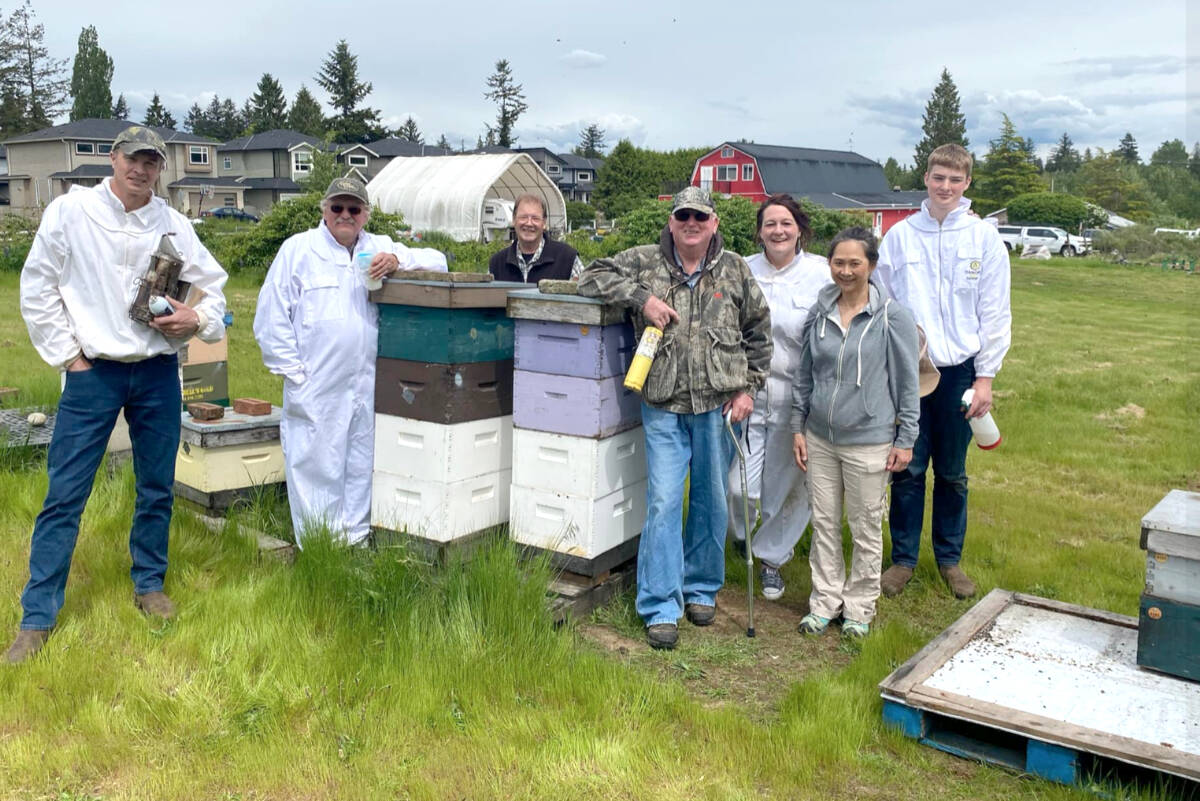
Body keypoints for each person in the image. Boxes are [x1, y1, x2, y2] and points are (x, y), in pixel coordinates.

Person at [8, 126, 228, 664]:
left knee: (156, 487)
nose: (142, 169)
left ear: (160, 168)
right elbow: (37, 286)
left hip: (156, 374)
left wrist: (195, 317)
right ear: (114, 158)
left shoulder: (172, 223)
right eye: (133, 158)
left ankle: (149, 585)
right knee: (65, 495)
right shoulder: (71, 213)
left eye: (152, 162)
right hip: (94, 374)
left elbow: (215, 288)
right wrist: (71, 359)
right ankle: (37, 618)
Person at [578, 186, 771, 650]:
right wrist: (640, 298)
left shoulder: (736, 269)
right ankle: (661, 604)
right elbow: (590, 277)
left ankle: (701, 588)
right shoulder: (643, 261)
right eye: (683, 215)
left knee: (711, 500)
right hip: (662, 402)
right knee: (665, 501)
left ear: (714, 224)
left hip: (719, 405)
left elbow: (760, 335)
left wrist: (749, 389)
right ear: (671, 221)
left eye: (699, 217)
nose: (691, 223)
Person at [254, 177, 445, 547]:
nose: (345, 215)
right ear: (324, 210)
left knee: (360, 460)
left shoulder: (378, 246)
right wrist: (295, 374)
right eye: (337, 208)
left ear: (366, 215)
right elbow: (271, 317)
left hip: (367, 379)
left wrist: (398, 259)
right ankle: (321, 546)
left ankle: (355, 541)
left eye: (354, 209)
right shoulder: (298, 250)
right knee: (315, 461)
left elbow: (438, 260)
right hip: (315, 380)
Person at [874, 144, 1011, 599]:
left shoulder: (983, 239)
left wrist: (985, 376)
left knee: (952, 471)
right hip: (912, 370)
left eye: (955, 180)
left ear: (967, 183)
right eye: (938, 178)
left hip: (960, 372)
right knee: (908, 467)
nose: (946, 187)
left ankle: (950, 560)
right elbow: (884, 304)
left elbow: (995, 311)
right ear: (926, 178)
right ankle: (903, 560)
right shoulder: (899, 237)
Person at [790, 227, 920, 637]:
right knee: (824, 522)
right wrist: (798, 426)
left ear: (872, 266)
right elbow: (805, 373)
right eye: (838, 262)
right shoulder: (820, 310)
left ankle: (860, 608)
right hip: (821, 437)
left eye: (855, 263)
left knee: (865, 526)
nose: (846, 271)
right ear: (829, 265)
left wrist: (906, 437)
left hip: (870, 439)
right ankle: (824, 602)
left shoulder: (892, 316)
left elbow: (906, 381)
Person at [727, 194, 830, 600]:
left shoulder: (820, 274)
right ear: (759, 231)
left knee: (788, 486)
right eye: (770, 223)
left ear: (799, 228)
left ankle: (772, 557)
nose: (778, 231)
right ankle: (741, 535)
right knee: (737, 486)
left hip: (798, 394)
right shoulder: (741, 270)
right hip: (746, 392)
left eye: (786, 223)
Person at [488, 194, 584, 282]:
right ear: (514, 220)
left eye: (535, 218)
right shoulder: (496, 264)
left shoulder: (568, 259)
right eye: (523, 217)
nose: (529, 223)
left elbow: (587, 294)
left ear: (544, 223)